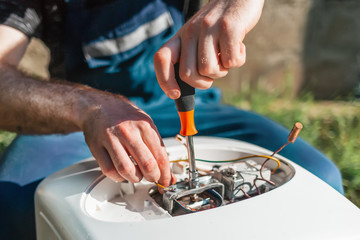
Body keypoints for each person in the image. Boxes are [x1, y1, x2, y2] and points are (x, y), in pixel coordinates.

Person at [0, 0, 343, 238]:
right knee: (16, 201)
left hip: (192, 108)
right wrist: (87, 107)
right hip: (82, 119)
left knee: (320, 176)